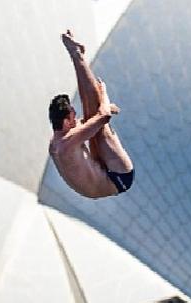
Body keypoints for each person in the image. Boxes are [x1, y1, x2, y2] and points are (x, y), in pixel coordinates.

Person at [49, 30, 134, 198]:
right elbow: (104, 116)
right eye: (72, 116)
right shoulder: (67, 142)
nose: (76, 118)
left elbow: (89, 121)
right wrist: (104, 93)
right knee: (98, 125)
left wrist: (104, 107)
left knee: (92, 119)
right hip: (118, 177)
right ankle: (76, 54)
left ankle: (76, 54)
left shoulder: (56, 142)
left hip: (98, 175)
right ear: (66, 122)